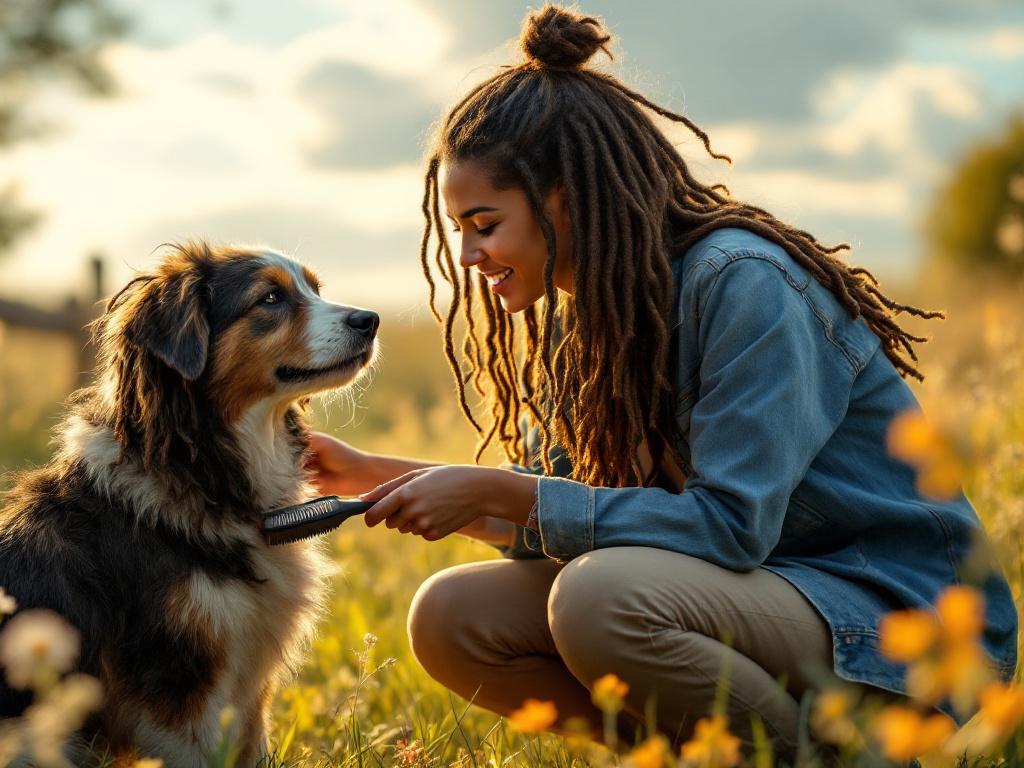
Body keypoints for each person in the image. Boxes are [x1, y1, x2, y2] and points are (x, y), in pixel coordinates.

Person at [304, 4, 1018, 760]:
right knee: (451, 616)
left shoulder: (745, 284)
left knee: (598, 598)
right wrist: (376, 476)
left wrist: (491, 491)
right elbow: (566, 510)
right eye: (460, 231)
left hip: (898, 626)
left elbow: (731, 528)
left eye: (485, 224)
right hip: (758, 603)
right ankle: (711, 753)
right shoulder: (586, 319)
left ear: (565, 199)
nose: (469, 255)